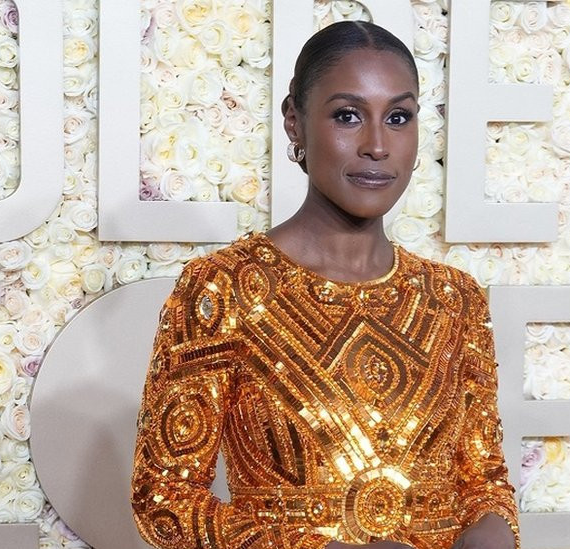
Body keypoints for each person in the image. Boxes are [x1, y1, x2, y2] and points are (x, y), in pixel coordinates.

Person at [131, 20, 520, 549]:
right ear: (295, 122)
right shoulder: (222, 289)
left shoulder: (455, 299)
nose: (377, 146)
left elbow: (484, 485)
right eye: (348, 116)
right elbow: (165, 501)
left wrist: (490, 534)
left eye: (399, 117)